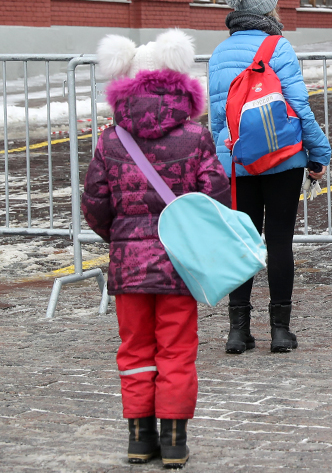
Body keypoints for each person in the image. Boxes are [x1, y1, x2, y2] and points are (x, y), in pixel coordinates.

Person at [82, 29, 231, 468]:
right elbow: (215, 197)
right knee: (177, 350)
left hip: (129, 268)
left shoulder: (110, 140)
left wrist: (122, 240)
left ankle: (139, 440)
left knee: (134, 350)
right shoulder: (196, 137)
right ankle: (175, 443)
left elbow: (95, 202)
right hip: (179, 265)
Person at [208, 0, 331, 354]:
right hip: (283, 159)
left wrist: (223, 160)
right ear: (268, 8)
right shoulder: (279, 47)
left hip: (237, 163)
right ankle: (280, 331)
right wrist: (319, 154)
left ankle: (237, 331)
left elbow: (216, 119)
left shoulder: (218, 53)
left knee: (242, 242)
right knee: (279, 241)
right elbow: (300, 108)